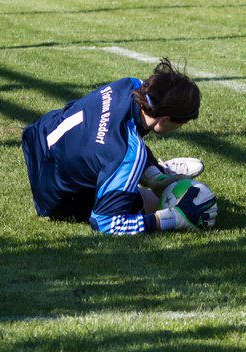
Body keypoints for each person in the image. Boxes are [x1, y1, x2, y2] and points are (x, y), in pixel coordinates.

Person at [21, 59, 215, 235]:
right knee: (161, 203)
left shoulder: (130, 85)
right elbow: (107, 223)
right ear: (164, 120)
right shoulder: (128, 152)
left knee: (120, 150)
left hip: (40, 143)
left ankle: (156, 174)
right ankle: (156, 176)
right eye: (180, 123)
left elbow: (116, 137)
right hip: (56, 197)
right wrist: (172, 219)